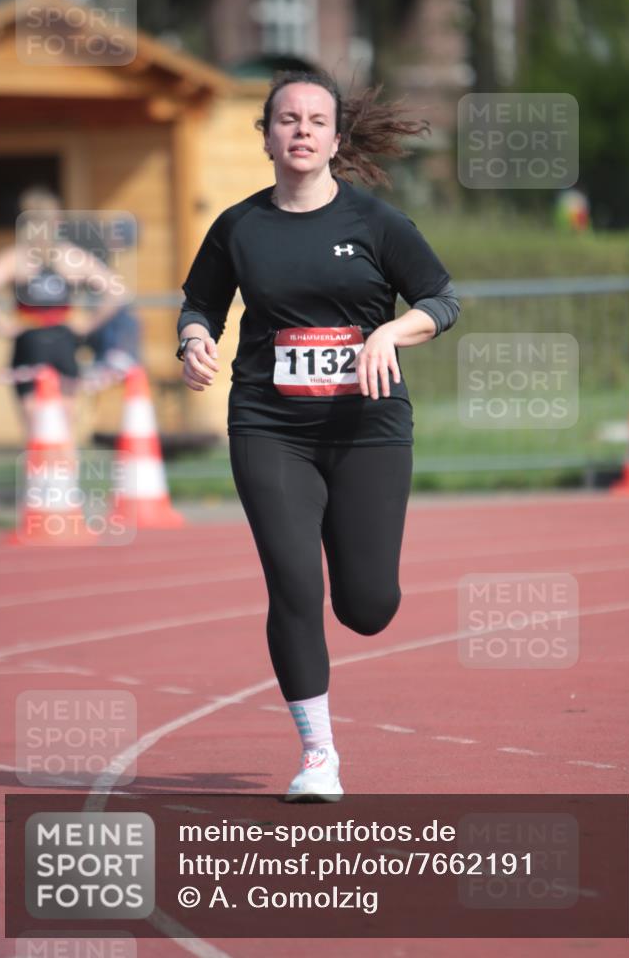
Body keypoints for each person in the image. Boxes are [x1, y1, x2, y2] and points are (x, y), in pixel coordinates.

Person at [176, 70, 459, 802]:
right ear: (266, 134)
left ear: (336, 138)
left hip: (367, 426)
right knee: (294, 584)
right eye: (286, 119)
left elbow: (440, 298)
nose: (300, 130)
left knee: (366, 607)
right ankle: (318, 756)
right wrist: (193, 340)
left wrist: (390, 332)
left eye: (315, 120)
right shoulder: (239, 226)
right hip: (270, 424)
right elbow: (200, 303)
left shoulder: (376, 223)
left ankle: (361, 591)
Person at [0, 187, 128, 438]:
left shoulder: (17, 258)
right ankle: (65, 473)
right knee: (65, 417)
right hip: (63, 341)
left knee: (33, 421)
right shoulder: (70, 257)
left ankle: (39, 472)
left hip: (30, 341)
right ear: (57, 221)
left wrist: (2, 325)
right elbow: (117, 290)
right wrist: (88, 324)